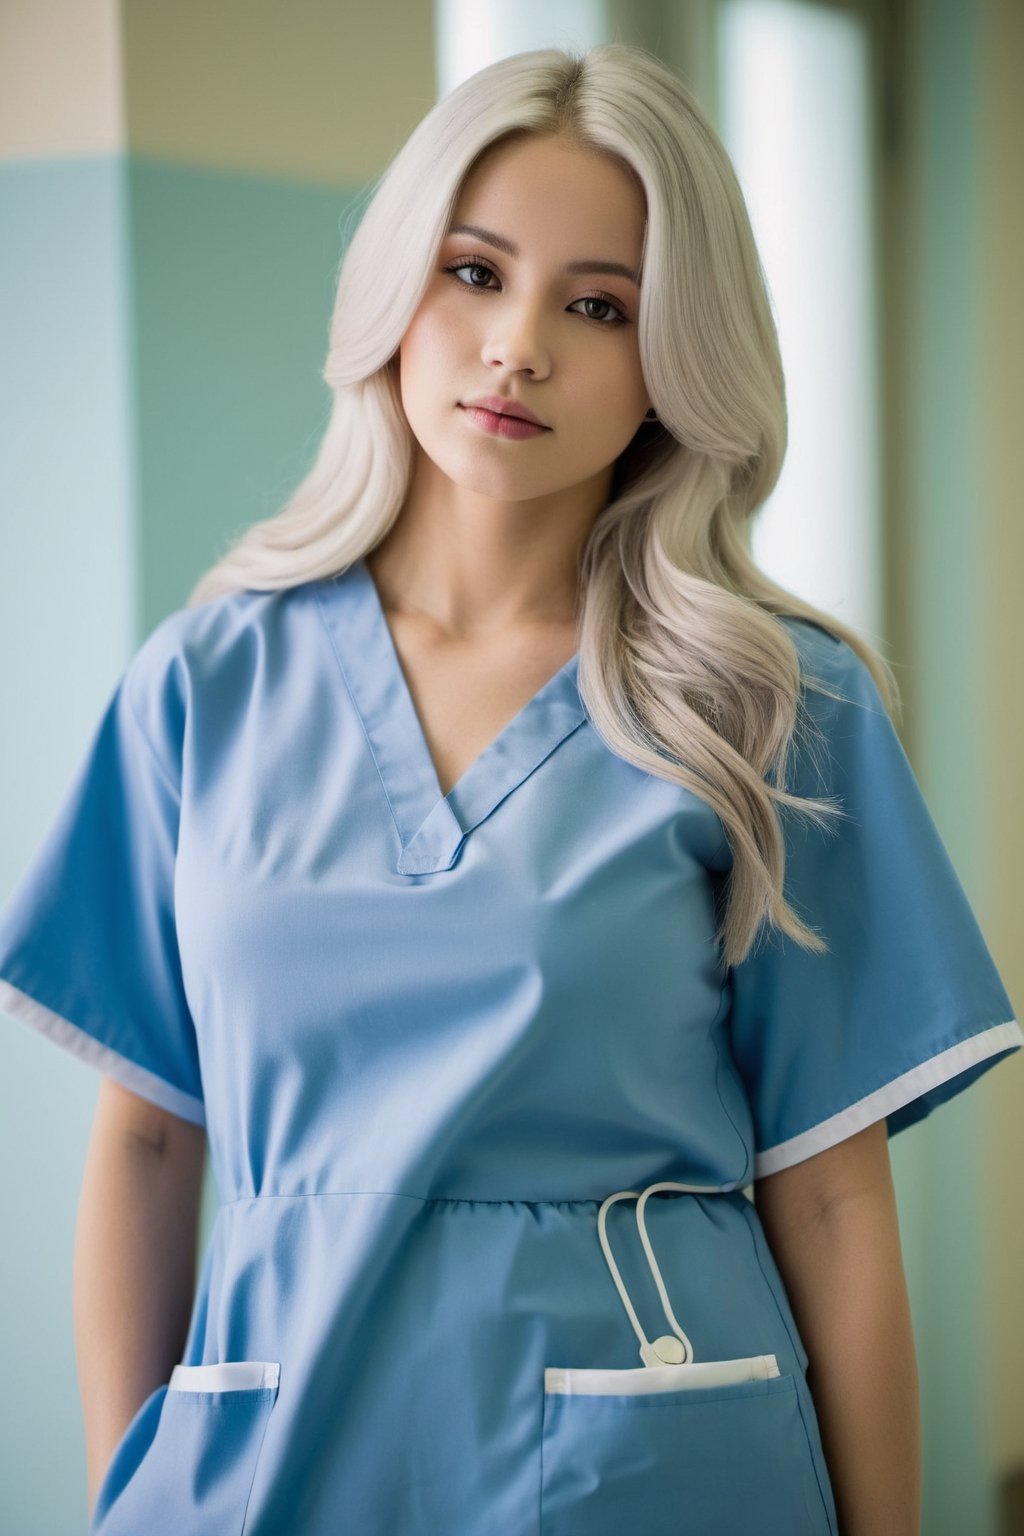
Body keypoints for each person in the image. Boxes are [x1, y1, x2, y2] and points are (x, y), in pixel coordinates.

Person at [0, 41, 1018, 1536]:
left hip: (650, 1478)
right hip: (261, 1466)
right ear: (395, 290)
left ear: (677, 361)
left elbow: (833, 1195)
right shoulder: (205, 686)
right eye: (475, 273)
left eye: (597, 305)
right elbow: (152, 1140)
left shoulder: (770, 708)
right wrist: (121, 1499)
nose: (518, 345)